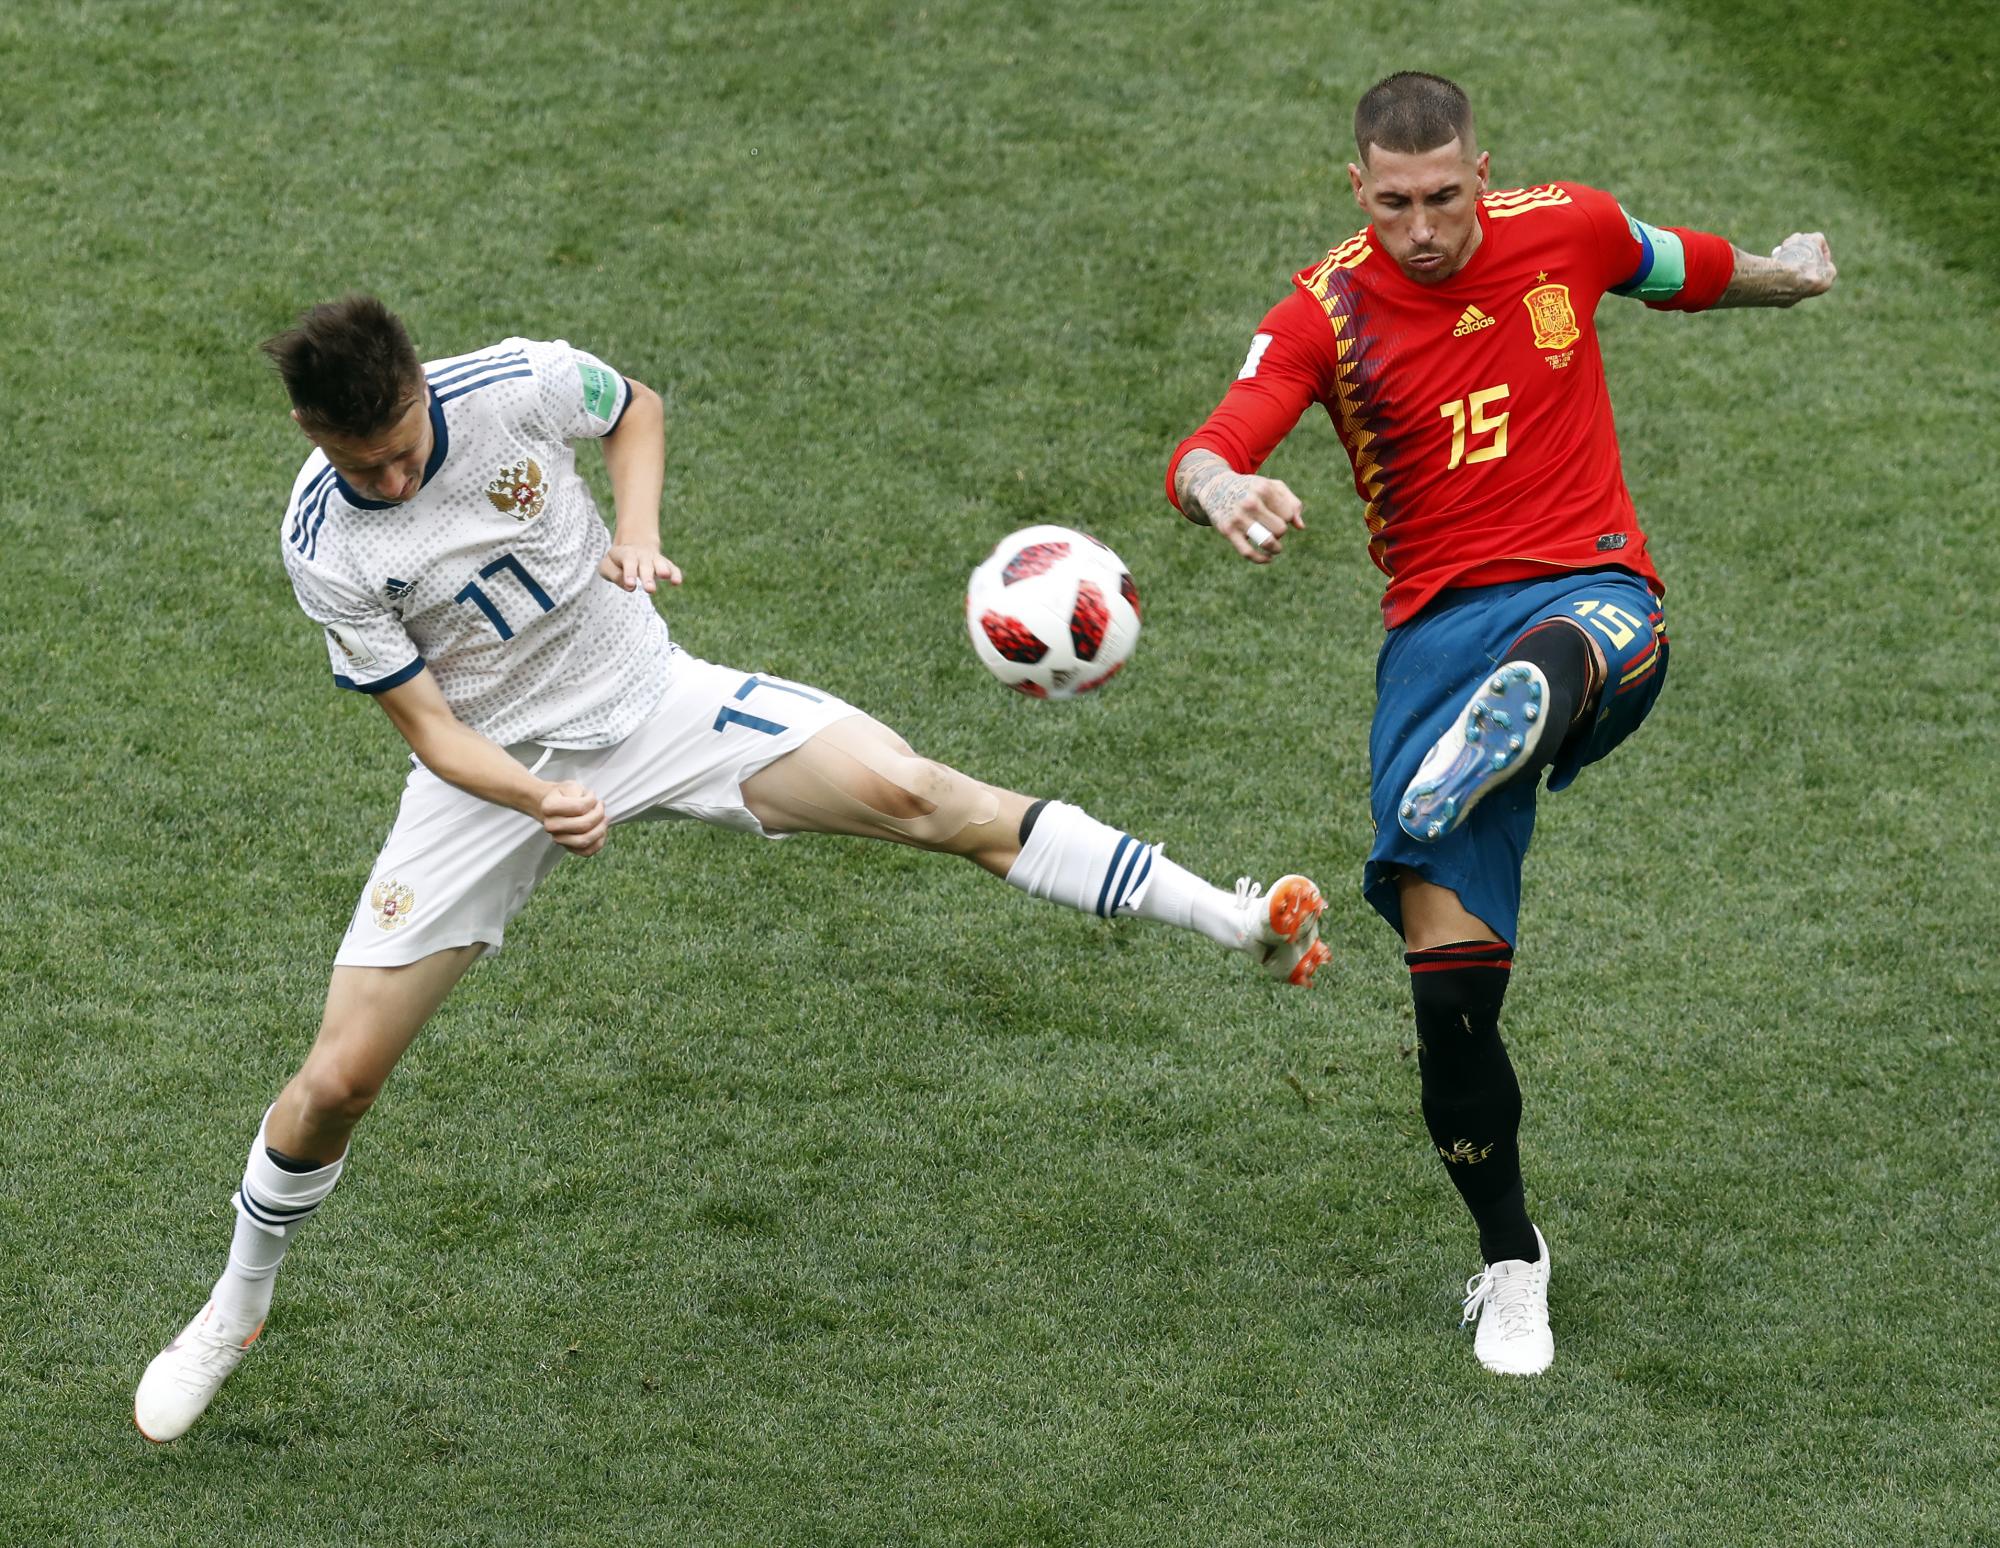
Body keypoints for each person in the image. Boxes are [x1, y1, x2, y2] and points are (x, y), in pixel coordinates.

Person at [134, 296, 1333, 1442]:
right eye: (365, 467)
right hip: (488, 777)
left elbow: (633, 406)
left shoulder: (516, 383)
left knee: (917, 794)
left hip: (654, 699)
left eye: (403, 453)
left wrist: (637, 533)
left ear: (421, 387)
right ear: (310, 432)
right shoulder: (323, 541)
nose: (394, 483)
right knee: (339, 1078)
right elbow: (432, 733)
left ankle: (1232, 921)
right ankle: (235, 1306)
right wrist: (538, 796)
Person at [1166, 72, 1834, 1375]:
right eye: (1394, 204)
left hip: (1587, 590)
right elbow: (1213, 439)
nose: (1422, 228)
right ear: (1356, 190)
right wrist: (1221, 486)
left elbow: (1677, 266)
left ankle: (1519, 718)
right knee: (1453, 1004)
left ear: (1483, 172)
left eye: (1444, 197)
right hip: (1434, 646)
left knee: (1575, 646)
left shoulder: (1564, 226)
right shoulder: (1324, 314)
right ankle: (1511, 1260)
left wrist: (1788, 275)